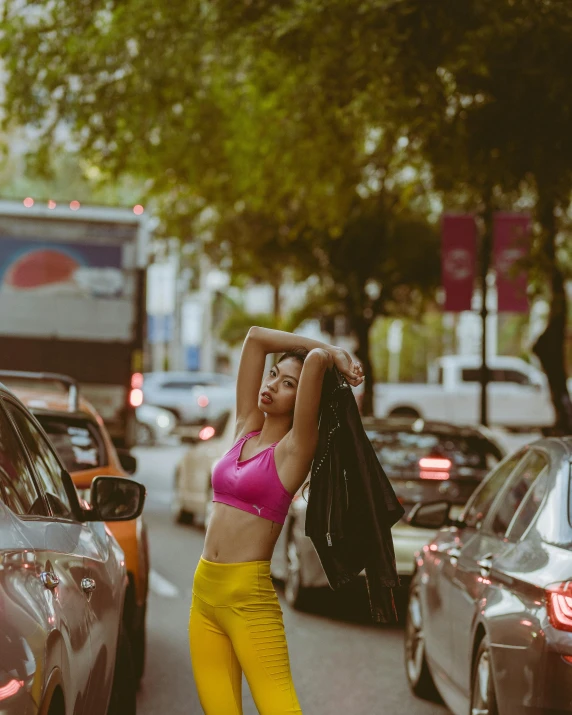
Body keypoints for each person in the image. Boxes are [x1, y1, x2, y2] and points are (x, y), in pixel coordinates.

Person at [189, 326, 364, 715]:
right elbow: (253, 338)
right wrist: (325, 348)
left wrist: (331, 354)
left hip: (248, 601)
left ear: (303, 398)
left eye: (288, 384)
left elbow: (317, 362)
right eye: (273, 375)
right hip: (204, 598)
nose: (271, 385)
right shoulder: (244, 428)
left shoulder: (296, 449)